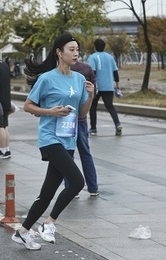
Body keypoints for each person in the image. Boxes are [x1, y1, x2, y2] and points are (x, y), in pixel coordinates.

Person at [11, 32, 94, 250]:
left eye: (77, 50)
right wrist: (50, 111)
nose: (76, 53)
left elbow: (82, 114)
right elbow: (28, 105)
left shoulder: (78, 79)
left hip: (68, 139)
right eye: (71, 49)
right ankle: (49, 224)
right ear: (59, 52)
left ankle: (22, 232)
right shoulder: (47, 78)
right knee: (77, 182)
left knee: (47, 193)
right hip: (50, 139)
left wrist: (91, 95)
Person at [71, 60, 99, 196]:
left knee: (67, 154)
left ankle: (71, 188)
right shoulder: (87, 68)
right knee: (85, 152)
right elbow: (94, 90)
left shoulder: (59, 70)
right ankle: (93, 187)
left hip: (65, 117)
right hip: (81, 117)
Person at [87, 38, 122, 136]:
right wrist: (117, 84)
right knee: (110, 106)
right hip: (108, 86)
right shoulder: (110, 57)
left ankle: (93, 128)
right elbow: (115, 72)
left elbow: (92, 72)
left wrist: (91, 85)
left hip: (96, 87)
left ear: (94, 47)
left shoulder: (93, 57)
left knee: (93, 107)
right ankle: (117, 124)